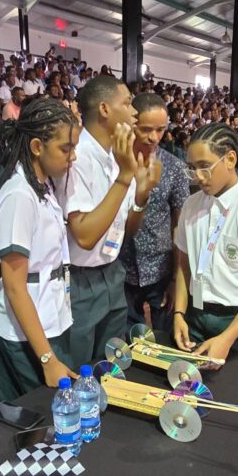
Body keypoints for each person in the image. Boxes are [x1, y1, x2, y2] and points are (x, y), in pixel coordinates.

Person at [54, 75, 161, 366]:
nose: (134, 112)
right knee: (80, 369)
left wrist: (141, 196)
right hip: (81, 278)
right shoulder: (77, 157)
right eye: (127, 103)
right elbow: (85, 236)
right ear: (104, 109)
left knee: (112, 363)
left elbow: (125, 230)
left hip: (112, 271)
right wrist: (127, 178)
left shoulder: (116, 156)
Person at [0, 98, 80, 400]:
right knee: (41, 413)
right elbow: (15, 286)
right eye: (66, 149)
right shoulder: (19, 195)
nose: (73, 157)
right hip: (25, 332)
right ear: (38, 146)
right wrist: (47, 358)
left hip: (49, 315)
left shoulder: (43, 186)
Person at [173, 123, 238, 362]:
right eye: (192, 169)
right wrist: (179, 312)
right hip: (196, 316)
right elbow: (183, 265)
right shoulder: (191, 205)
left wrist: (227, 338)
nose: (198, 177)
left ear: (230, 159)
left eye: (204, 167)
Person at [120, 93, 190, 332]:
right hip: (121, 267)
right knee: (124, 343)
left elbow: (179, 226)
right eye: (146, 129)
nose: (154, 137)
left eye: (160, 129)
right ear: (132, 124)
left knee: (164, 340)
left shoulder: (174, 167)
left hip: (161, 269)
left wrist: (175, 279)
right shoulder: (117, 162)